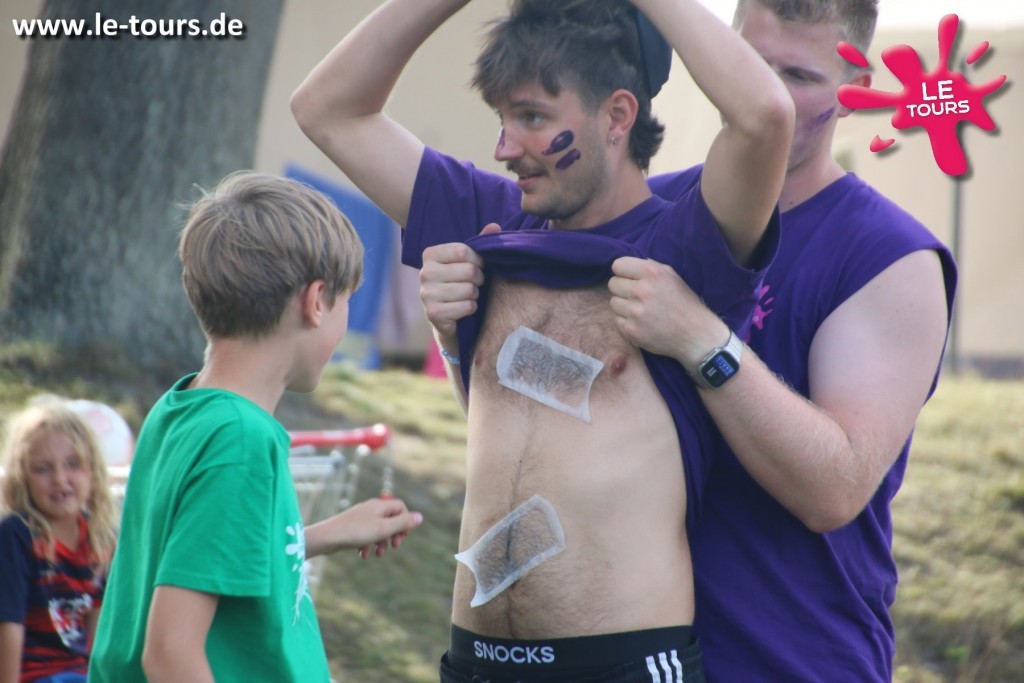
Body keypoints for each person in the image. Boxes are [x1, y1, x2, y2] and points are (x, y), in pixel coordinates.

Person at [418, 1, 958, 681]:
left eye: (799, 75)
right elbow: (548, 418)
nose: (771, 91)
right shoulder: (640, 212)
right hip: (629, 656)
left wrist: (705, 342)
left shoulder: (892, 257)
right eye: (752, 64)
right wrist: (457, 336)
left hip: (794, 663)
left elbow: (834, 491)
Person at [292, 1, 793, 680]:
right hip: (473, 663)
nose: (505, 148)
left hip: (622, 668)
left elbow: (765, 116)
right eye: (503, 120)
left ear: (617, 116)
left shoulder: (686, 248)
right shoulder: (486, 219)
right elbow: (326, 109)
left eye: (531, 117)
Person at [87, 171, 424, 683]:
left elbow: (203, 553)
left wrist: (322, 535)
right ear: (316, 302)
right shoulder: (240, 442)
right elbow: (170, 654)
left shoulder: (182, 409)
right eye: (347, 301)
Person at [0, 397, 119, 683]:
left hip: (81, 674)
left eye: (73, 464)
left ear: (93, 471)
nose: (59, 479)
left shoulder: (100, 537)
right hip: (34, 675)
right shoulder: (17, 535)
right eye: (42, 468)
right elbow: (8, 624)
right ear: (23, 476)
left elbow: (99, 632)